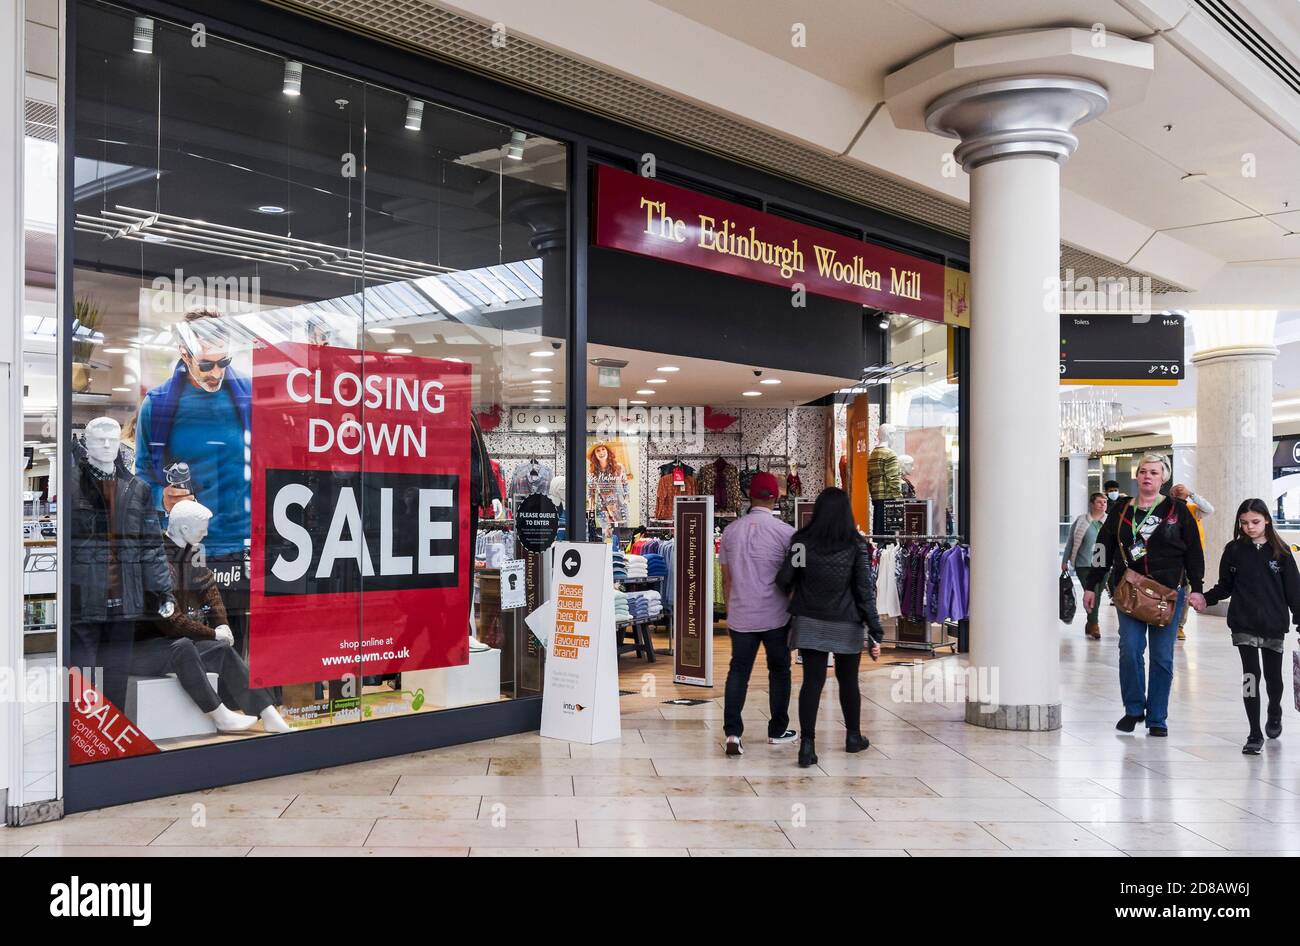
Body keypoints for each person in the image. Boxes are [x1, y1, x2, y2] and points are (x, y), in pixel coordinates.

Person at [136, 309, 252, 663]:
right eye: (206, 365)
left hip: (240, 545)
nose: (216, 373)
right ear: (184, 355)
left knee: (236, 646)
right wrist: (163, 498)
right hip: (185, 550)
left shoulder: (250, 398)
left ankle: (241, 711)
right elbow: (142, 475)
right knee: (191, 641)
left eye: (224, 362)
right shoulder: (157, 406)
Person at [1085, 453, 1204, 737]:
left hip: (1167, 594)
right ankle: (1134, 708)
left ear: (1163, 478)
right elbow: (1104, 547)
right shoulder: (1123, 510)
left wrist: (1197, 588)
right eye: (1143, 472)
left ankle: (1157, 717)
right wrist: (1092, 584)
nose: (1148, 476)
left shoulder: (1178, 511)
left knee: (1162, 657)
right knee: (1129, 650)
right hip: (1130, 591)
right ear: (1137, 477)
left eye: (1154, 472)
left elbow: (1194, 553)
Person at [776, 487, 883, 768]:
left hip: (810, 620)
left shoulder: (802, 543)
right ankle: (853, 737)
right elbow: (864, 591)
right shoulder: (856, 545)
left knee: (812, 681)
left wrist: (799, 588)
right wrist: (875, 628)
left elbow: (785, 578)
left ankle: (808, 745)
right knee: (849, 681)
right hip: (846, 622)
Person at [1196, 499, 1300, 754]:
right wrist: (1204, 598)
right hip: (1243, 623)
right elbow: (1225, 586)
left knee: (1274, 677)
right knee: (1251, 676)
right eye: (1244, 523)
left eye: (1255, 522)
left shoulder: (1282, 552)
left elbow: (1295, 593)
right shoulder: (1233, 550)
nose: (1249, 527)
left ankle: (1274, 709)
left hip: (1274, 624)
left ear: (1267, 520)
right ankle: (1254, 732)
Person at [718, 471, 796, 755]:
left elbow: (726, 579)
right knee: (779, 670)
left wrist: (730, 610)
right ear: (775, 498)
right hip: (776, 616)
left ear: (748, 496)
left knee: (738, 671)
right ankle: (777, 730)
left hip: (741, 614)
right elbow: (793, 579)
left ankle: (733, 734)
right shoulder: (787, 533)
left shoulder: (730, 532)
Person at [1169, 483, 1214, 642]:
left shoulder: (1193, 510)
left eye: (1182, 490)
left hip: (1192, 557)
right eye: (1176, 491)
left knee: (1186, 592)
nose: (1179, 492)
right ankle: (1167, 621)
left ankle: (1179, 625)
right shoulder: (1168, 510)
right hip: (1174, 557)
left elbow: (1209, 509)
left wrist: (1191, 494)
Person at [1063, 492, 1108, 638]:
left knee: (1098, 593)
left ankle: (1090, 623)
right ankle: (1094, 624)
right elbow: (1071, 541)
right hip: (1083, 564)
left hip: (1102, 563)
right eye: (1099, 502)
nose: (1103, 505)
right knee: (1093, 591)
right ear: (1092, 504)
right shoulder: (1081, 520)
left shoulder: (1109, 521)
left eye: (1105, 502)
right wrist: (1065, 560)